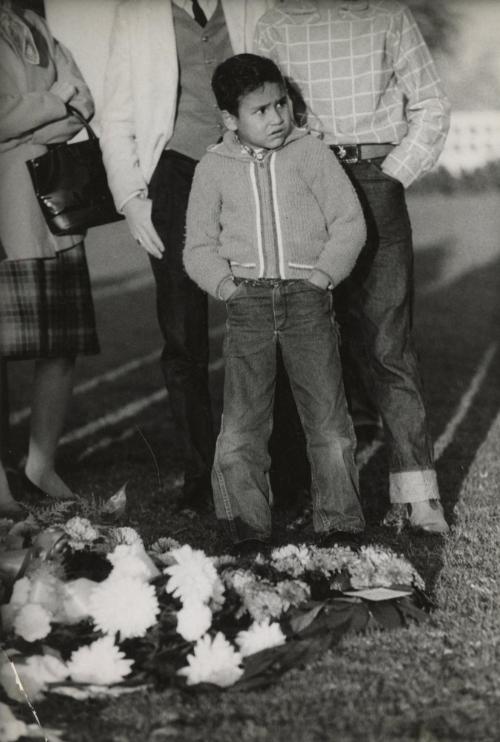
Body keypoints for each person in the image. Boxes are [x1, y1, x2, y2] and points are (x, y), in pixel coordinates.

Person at [255, 0, 450, 534]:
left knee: (388, 343)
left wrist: (390, 176)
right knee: (306, 342)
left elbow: (431, 104)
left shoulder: (388, 15)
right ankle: (320, 495)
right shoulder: (276, 20)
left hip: (375, 177)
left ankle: (418, 497)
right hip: (305, 182)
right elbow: (257, 106)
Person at [100, 0, 282, 512]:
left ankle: (276, 466)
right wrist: (131, 199)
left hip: (248, 171)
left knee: (267, 320)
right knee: (183, 335)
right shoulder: (135, 15)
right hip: (174, 178)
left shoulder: (254, 4)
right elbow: (115, 117)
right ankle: (200, 473)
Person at [184, 53, 366, 550]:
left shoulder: (311, 153)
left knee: (328, 420)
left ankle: (340, 522)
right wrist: (228, 289)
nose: (277, 117)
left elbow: (349, 222)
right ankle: (244, 525)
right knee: (242, 424)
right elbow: (198, 247)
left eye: (281, 103)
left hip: (308, 300)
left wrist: (322, 277)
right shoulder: (212, 168)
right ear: (230, 119)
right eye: (260, 110)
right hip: (247, 307)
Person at [0, 0, 99, 513]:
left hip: (55, 216)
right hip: (5, 215)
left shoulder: (34, 23)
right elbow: (59, 97)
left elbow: (83, 98)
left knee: (62, 344)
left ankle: (40, 465)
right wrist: (51, 102)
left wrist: (29, 129)